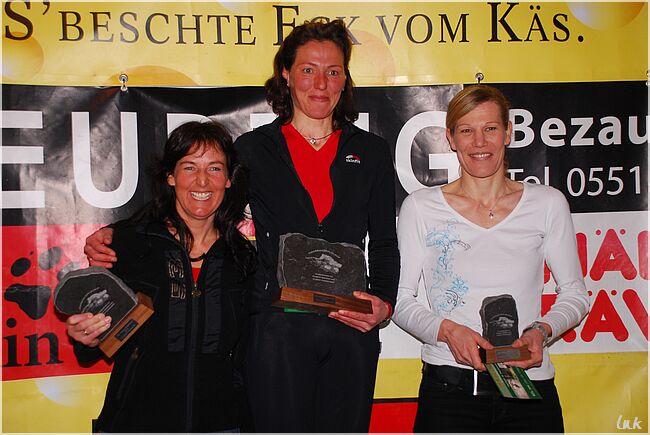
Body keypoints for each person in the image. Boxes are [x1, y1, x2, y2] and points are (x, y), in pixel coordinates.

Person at [83, 19, 399, 432]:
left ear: (345, 79)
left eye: (333, 71)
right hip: (277, 329)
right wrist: (118, 233)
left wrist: (384, 303)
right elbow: (200, 198)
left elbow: (385, 241)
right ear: (286, 74)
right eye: (308, 69)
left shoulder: (371, 150)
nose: (320, 83)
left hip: (350, 328)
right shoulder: (253, 149)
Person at [392, 85, 589, 432]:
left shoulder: (548, 203)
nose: (479, 142)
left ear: (508, 133)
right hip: (450, 393)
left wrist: (540, 332)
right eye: (467, 130)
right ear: (451, 138)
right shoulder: (420, 208)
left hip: (529, 389)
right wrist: (447, 332)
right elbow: (400, 300)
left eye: (491, 128)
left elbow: (575, 294)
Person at [67, 121, 256, 432]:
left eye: (215, 168)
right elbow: (94, 344)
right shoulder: (127, 245)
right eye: (189, 167)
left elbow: (251, 352)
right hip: (136, 423)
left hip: (222, 424)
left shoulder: (244, 260)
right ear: (170, 176)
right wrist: (85, 337)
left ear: (228, 179)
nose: (202, 180)